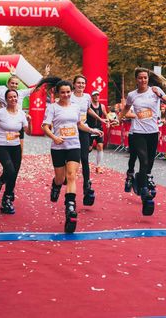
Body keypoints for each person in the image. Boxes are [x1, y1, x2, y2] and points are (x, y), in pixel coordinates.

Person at [41, 79, 103, 233]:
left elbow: (79, 124)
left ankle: (70, 207)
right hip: (58, 147)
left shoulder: (75, 107)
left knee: (72, 176)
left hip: (74, 145)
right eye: (63, 92)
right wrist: (54, 138)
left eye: (68, 92)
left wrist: (93, 130)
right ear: (58, 93)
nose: (66, 95)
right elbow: (45, 126)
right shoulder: (52, 108)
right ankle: (56, 184)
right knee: (61, 178)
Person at [119, 67, 166, 215]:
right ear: (136, 79)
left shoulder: (155, 91)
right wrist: (118, 118)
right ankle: (144, 190)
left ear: (148, 79)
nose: (143, 80)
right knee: (142, 160)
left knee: (149, 163)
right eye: (140, 78)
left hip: (152, 132)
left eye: (145, 78)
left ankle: (141, 181)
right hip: (138, 132)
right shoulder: (132, 95)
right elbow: (126, 108)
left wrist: (161, 96)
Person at [0, 89, 32, 214]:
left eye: (15, 97)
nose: (13, 99)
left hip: (16, 147)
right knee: (9, 170)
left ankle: (7, 200)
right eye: (10, 97)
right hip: (2, 146)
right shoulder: (0, 113)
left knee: (14, 175)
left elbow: (28, 132)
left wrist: (30, 122)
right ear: (6, 99)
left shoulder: (21, 113)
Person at [71, 75, 108, 205]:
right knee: (73, 159)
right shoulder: (69, 96)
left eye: (83, 83)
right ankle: (66, 178)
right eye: (78, 83)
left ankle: (87, 185)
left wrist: (101, 118)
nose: (81, 85)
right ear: (74, 84)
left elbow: (88, 109)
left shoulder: (87, 97)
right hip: (71, 130)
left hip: (84, 129)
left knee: (85, 159)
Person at [86, 90, 109, 174]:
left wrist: (108, 123)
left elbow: (106, 115)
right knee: (88, 148)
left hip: (99, 129)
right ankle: (85, 164)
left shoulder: (102, 106)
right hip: (90, 129)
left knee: (100, 146)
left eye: (97, 95)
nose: (96, 97)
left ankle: (98, 166)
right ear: (92, 97)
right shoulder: (89, 106)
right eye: (94, 95)